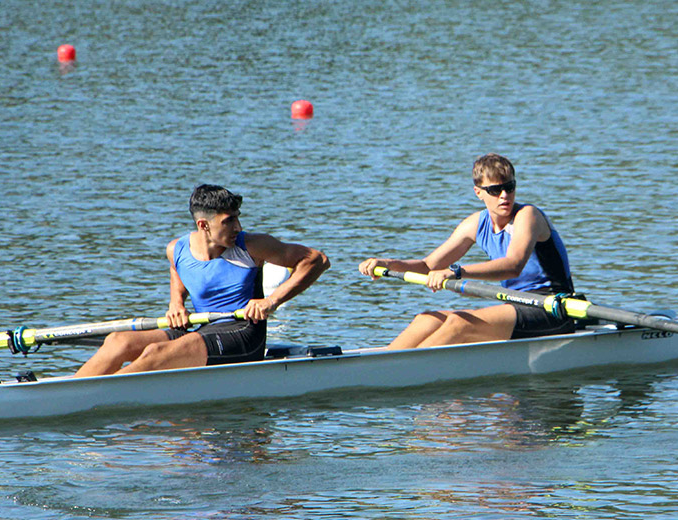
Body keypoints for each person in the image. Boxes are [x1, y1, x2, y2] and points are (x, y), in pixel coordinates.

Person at [74, 184, 330, 377]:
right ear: (203, 225)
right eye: (229, 221)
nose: (238, 227)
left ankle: (93, 397)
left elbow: (317, 260)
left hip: (243, 333)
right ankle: (67, 391)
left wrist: (271, 301)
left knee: (155, 353)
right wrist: (176, 303)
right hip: (204, 329)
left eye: (238, 217)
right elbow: (177, 270)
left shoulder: (252, 246)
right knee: (119, 341)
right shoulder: (177, 249)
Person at [359, 153, 575, 349]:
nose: (504, 196)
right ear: (478, 192)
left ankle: (400, 372)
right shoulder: (475, 224)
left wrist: (457, 272)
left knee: (459, 323)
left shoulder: (528, 216)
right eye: (495, 190)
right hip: (516, 305)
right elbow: (428, 266)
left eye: (510, 187)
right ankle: (380, 367)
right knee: (426, 319)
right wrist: (387, 264)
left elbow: (514, 265)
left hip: (551, 307)